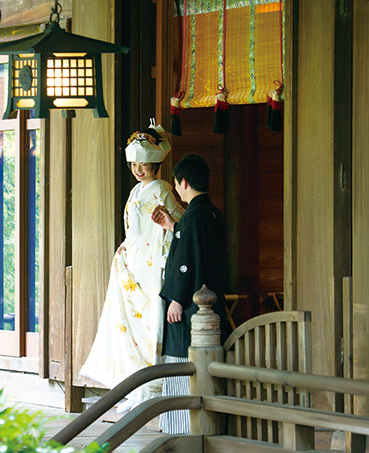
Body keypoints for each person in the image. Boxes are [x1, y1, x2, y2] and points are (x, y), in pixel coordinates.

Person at [79, 122, 185, 408]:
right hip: (133, 261)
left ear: (155, 165)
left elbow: (180, 223)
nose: (139, 170)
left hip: (152, 264)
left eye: (145, 165)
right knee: (128, 324)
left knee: (149, 324)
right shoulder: (136, 191)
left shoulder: (161, 189)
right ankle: (134, 388)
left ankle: (151, 390)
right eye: (135, 164)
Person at [151, 153, 230, 434]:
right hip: (212, 306)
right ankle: (204, 424)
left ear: (183, 182)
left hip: (190, 309)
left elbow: (186, 263)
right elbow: (196, 249)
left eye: (176, 183)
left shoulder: (194, 216)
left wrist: (176, 299)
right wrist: (174, 226)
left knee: (184, 360)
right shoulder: (211, 213)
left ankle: (184, 426)